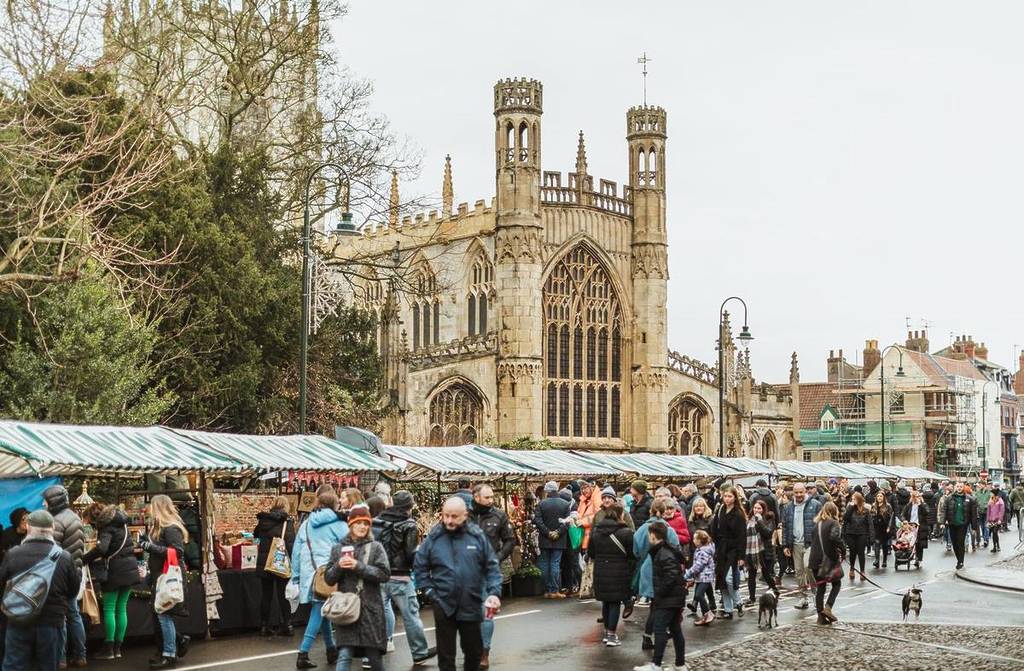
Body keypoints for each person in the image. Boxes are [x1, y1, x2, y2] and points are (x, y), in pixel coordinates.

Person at [414, 497, 501, 671]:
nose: (449, 521)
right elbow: (420, 566)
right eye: (446, 516)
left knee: (474, 653)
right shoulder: (434, 537)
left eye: (454, 516)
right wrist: (430, 592)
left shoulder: (476, 537)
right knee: (446, 657)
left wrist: (493, 593)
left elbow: (492, 567)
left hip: (471, 602)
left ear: (465, 515)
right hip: (443, 603)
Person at [0, 510, 81, 671]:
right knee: (48, 666)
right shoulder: (64, 557)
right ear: (52, 527)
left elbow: (1, 586)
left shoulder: (13, 554)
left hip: (18, 620)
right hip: (51, 622)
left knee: (14, 666)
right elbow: (73, 591)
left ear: (28, 528)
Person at [323, 504, 390, 671]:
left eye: (366, 523)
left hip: (370, 611)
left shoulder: (375, 547)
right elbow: (329, 580)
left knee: (374, 657)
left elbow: (384, 574)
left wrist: (357, 566)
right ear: (350, 524)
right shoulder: (338, 548)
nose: (362, 527)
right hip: (347, 610)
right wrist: (339, 565)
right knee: (344, 654)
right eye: (358, 523)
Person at [291, 491, 349, 669]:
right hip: (328, 573)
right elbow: (349, 545)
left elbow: (296, 551)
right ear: (334, 505)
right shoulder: (339, 523)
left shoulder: (306, 523)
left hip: (311, 573)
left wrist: (296, 575)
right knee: (318, 612)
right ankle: (303, 653)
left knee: (323, 611)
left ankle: (331, 650)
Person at [81, 504, 140, 660]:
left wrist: (84, 559)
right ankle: (118, 648)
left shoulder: (106, 527)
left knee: (109, 609)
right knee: (121, 609)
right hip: (129, 568)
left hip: (115, 570)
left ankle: (109, 648)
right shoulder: (122, 522)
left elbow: (102, 549)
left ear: (96, 519)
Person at [140, 495, 190, 669]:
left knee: (163, 615)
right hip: (160, 576)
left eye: (152, 506)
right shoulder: (159, 527)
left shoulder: (170, 528)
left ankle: (169, 654)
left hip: (168, 577)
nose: (149, 509)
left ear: (159, 507)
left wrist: (150, 546)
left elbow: (177, 552)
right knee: (159, 614)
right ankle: (175, 643)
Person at [468, 485, 513, 669]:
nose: (491, 500)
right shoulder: (465, 515)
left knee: (486, 613)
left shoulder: (499, 515)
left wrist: (498, 557)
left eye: (492, 497)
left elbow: (510, 540)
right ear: (476, 497)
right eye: (487, 497)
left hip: (488, 570)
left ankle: (484, 653)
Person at [633, 521, 687, 671]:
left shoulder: (663, 553)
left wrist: (660, 594)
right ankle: (680, 664)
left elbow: (671, 575)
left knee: (660, 629)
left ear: (653, 535)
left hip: (669, 598)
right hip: (674, 597)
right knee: (676, 630)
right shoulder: (664, 551)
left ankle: (656, 665)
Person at [43, 485, 87, 668]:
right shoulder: (75, 517)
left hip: (59, 576)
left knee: (59, 617)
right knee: (74, 614)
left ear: (54, 501)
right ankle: (81, 655)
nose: (43, 504)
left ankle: (60, 658)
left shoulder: (57, 522)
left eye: (46, 500)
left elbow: (52, 552)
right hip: (74, 573)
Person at [634, 500, 680, 648]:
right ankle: (654, 635)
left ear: (650, 511)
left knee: (656, 604)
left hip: (647, 568)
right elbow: (675, 548)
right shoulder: (668, 529)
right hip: (664, 570)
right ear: (664, 511)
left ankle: (650, 636)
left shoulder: (642, 529)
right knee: (659, 606)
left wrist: (644, 557)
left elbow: (636, 549)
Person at [589, 503, 635, 647]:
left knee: (606, 601)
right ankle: (611, 634)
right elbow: (632, 555)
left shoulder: (596, 532)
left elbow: (591, 553)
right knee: (615, 602)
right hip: (619, 571)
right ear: (621, 515)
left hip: (601, 570)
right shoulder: (626, 533)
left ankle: (606, 633)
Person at [253, 496, 296, 637]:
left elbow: (255, 536)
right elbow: (291, 545)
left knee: (266, 595)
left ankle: (264, 626)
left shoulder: (263, 521)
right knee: (283, 595)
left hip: (265, 563)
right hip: (280, 563)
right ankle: (287, 625)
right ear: (286, 507)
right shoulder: (287, 523)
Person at [782, 482, 823, 610]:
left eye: (801, 492)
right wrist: (785, 545)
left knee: (808, 567)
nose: (799, 495)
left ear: (805, 491)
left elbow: (822, 523)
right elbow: (785, 526)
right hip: (795, 543)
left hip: (810, 543)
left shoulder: (815, 505)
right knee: (799, 572)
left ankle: (816, 595)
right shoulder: (788, 507)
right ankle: (803, 597)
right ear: (793, 493)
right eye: (796, 492)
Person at [710, 486, 746, 620]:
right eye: (725, 496)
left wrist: (742, 556)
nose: (727, 499)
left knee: (729, 579)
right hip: (721, 549)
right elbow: (715, 528)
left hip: (733, 550)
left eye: (730, 496)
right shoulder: (720, 510)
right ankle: (728, 609)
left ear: (735, 498)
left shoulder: (738, 514)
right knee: (721, 581)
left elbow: (742, 536)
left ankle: (738, 602)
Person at [809, 502, 844, 626]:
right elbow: (834, 537)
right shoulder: (834, 523)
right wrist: (843, 549)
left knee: (821, 588)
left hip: (814, 560)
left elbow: (811, 540)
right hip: (828, 560)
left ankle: (820, 616)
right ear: (835, 512)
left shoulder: (816, 524)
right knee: (837, 583)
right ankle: (828, 607)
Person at [533, 480, 570, 599]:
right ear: (556, 490)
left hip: (545, 538)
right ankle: (554, 590)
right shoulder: (565, 504)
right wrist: (558, 532)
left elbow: (538, 521)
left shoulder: (541, 504)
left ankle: (547, 590)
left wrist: (547, 532)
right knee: (555, 563)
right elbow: (568, 522)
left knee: (544, 564)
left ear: (547, 491)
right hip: (559, 539)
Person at [743, 499, 777, 606]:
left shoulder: (768, 519)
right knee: (751, 574)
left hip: (763, 550)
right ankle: (751, 598)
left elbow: (767, 533)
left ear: (763, 509)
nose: (756, 510)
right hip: (751, 551)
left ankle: (774, 589)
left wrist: (760, 521)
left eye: (759, 508)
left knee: (766, 573)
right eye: (755, 508)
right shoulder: (749, 520)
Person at [942, 481, 977, 570]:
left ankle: (961, 561)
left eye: (961, 486)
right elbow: (944, 511)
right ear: (955, 487)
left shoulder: (970, 499)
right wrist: (942, 522)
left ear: (963, 487)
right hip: (952, 523)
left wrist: (974, 527)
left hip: (963, 524)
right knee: (954, 543)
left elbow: (973, 514)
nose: (959, 488)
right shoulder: (949, 498)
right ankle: (959, 559)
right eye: (957, 486)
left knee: (960, 542)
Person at [684, 530, 716, 626]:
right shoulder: (700, 550)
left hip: (705, 577)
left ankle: (708, 614)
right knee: (702, 594)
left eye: (695, 538)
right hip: (702, 577)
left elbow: (698, 566)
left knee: (698, 595)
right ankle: (706, 615)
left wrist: (686, 575)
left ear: (699, 540)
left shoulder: (703, 552)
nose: (693, 540)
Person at [842, 492, 873, 582]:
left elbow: (870, 524)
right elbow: (845, 519)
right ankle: (852, 569)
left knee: (861, 552)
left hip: (862, 533)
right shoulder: (850, 508)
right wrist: (851, 507)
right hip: (850, 533)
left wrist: (871, 536)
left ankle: (862, 571)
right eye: (852, 499)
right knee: (852, 552)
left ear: (858, 499)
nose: (852, 501)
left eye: (854, 499)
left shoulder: (866, 510)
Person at [898, 489, 931, 568]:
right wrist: (904, 521)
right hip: (910, 527)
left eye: (917, 497)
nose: (915, 498)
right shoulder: (909, 505)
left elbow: (927, 512)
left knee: (919, 544)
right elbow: (902, 514)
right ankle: (907, 556)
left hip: (920, 526)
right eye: (914, 497)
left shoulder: (923, 505)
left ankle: (919, 559)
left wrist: (920, 504)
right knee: (909, 542)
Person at [871, 491, 896, 569]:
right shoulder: (874, 505)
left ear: (884, 497)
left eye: (881, 496)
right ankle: (877, 560)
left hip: (885, 527)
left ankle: (884, 560)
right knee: (877, 544)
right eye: (878, 496)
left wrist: (889, 527)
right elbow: (871, 516)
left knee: (884, 545)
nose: (879, 498)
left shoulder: (888, 506)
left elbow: (891, 517)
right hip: (876, 527)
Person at [987, 486, 1005, 553]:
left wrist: (1000, 519)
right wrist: (988, 520)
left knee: (995, 532)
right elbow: (988, 511)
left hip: (997, 520)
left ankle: (996, 547)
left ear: (994, 494)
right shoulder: (990, 500)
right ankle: (996, 546)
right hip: (991, 520)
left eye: (991, 493)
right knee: (993, 533)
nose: (990, 494)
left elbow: (1001, 511)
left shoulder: (1000, 501)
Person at [974, 481, 992, 549]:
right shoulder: (977, 493)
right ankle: (985, 539)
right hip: (980, 512)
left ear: (984, 485)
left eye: (981, 485)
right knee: (982, 526)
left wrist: (986, 506)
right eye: (979, 485)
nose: (980, 486)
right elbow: (975, 501)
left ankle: (985, 540)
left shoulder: (989, 493)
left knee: (986, 526)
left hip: (987, 511)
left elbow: (992, 501)